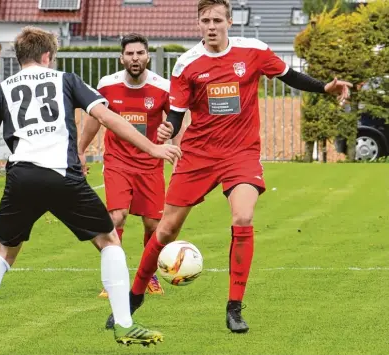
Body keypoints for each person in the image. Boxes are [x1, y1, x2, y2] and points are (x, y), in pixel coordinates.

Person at [105, 0, 352, 333]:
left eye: (217, 19)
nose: (211, 25)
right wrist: (168, 130)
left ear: (229, 22)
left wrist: (324, 87)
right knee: (165, 230)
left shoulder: (254, 51)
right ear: (198, 24)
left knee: (243, 216)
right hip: (198, 155)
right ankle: (134, 297)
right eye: (205, 20)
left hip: (241, 154)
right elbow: (176, 116)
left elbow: (288, 75)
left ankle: (234, 308)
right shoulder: (186, 64)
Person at [0, 26, 182, 354]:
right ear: (48, 56)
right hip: (62, 176)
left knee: (2, 253)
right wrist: (152, 148)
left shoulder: (3, 88)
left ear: (21, 57)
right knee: (109, 240)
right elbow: (109, 118)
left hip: (21, 178)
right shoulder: (65, 80)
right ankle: (123, 323)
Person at [78, 33, 185, 298]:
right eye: (130, 54)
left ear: (147, 56)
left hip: (150, 164)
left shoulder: (162, 87)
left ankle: (147, 276)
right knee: (116, 217)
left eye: (140, 53)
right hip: (117, 162)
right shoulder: (107, 85)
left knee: (153, 224)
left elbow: (175, 121)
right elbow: (94, 120)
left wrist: (177, 148)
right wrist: (79, 150)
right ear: (121, 57)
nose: (135, 58)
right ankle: (113, 278)